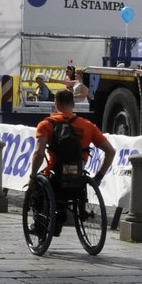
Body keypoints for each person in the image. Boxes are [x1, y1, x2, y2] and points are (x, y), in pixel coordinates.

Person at [30, 89, 116, 230]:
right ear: (73, 104)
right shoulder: (88, 126)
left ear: (56, 104)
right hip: (78, 174)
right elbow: (110, 152)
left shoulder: (47, 124)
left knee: (37, 186)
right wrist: (99, 177)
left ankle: (39, 225)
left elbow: (39, 153)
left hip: (55, 173)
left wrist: (32, 176)